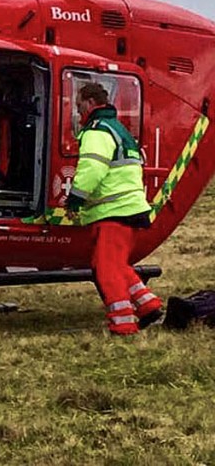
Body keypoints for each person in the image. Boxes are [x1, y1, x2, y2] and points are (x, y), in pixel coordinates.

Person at [65, 82, 162, 335]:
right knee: (115, 263)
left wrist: (75, 199)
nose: (78, 112)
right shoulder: (118, 129)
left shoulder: (96, 131)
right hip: (129, 208)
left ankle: (123, 324)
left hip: (113, 211)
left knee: (106, 270)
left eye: (79, 106)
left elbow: (93, 169)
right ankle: (148, 306)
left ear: (89, 103)